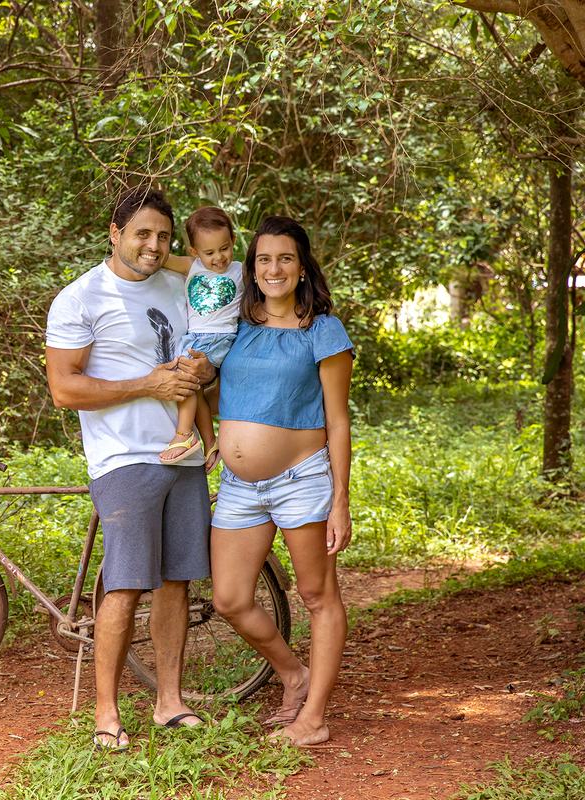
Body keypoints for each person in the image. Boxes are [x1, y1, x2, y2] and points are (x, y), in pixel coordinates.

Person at [45, 187, 216, 752]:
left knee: (176, 582)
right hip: (123, 460)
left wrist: (202, 371)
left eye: (163, 236)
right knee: (123, 585)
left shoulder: (181, 286)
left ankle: (169, 702)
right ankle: (106, 716)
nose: (153, 244)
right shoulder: (81, 297)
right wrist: (149, 383)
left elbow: (209, 338)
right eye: (141, 233)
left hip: (183, 452)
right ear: (113, 232)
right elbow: (65, 389)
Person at [207, 215, 354, 746]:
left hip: (303, 480)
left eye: (285, 258)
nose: (274, 268)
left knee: (318, 596)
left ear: (302, 266)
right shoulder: (235, 325)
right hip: (241, 487)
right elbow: (190, 265)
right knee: (229, 598)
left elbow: (338, 420)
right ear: (251, 267)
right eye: (264, 259)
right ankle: (295, 675)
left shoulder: (323, 330)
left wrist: (340, 500)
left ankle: (312, 720)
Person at [156, 206, 245, 470]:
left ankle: (184, 435)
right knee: (197, 392)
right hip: (196, 338)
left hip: (219, 338)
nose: (219, 257)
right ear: (195, 252)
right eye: (209, 252)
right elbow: (160, 257)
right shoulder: (190, 266)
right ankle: (210, 442)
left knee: (182, 380)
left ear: (232, 242)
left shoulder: (241, 270)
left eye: (225, 248)